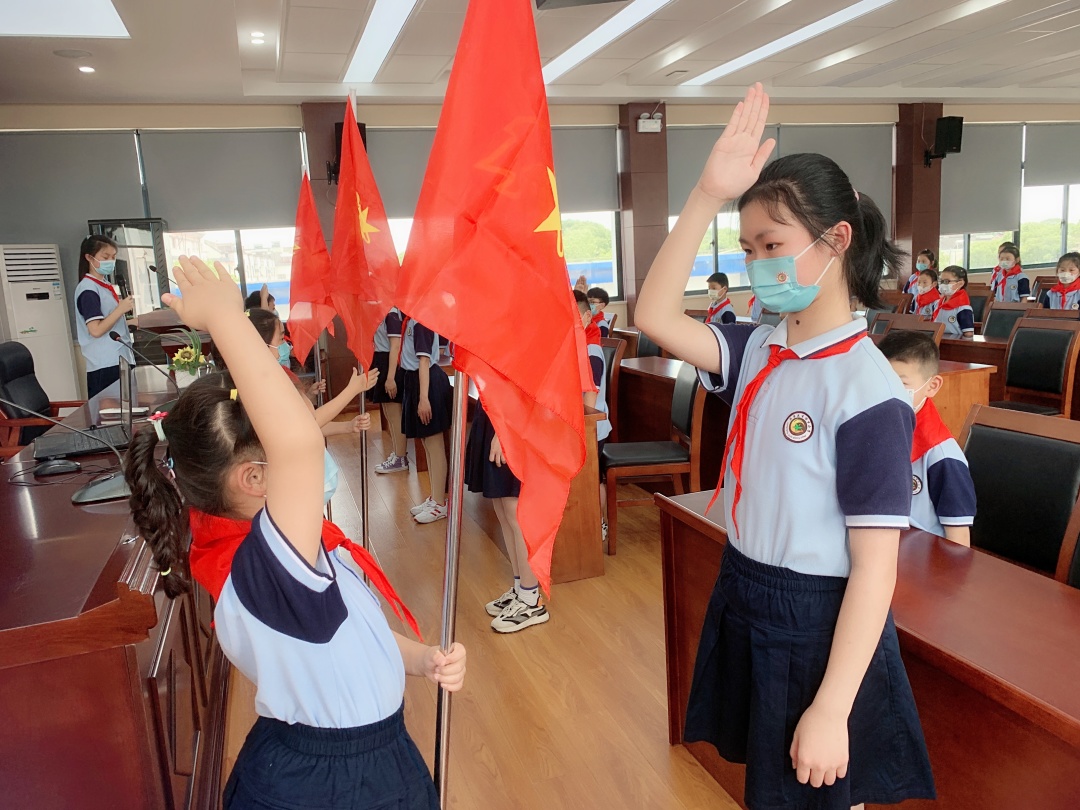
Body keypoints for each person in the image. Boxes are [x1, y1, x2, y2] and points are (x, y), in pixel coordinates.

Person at [634, 84, 935, 810]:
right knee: (773, 790)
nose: (758, 264)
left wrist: (831, 709)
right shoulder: (760, 348)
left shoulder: (866, 391)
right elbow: (654, 314)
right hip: (748, 585)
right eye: (748, 250)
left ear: (837, 240)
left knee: (815, 792)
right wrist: (705, 195)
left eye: (773, 246)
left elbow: (875, 571)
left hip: (816, 619)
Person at [125, 256, 465, 810]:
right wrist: (227, 320)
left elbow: (350, 635)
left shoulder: (278, 553)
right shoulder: (266, 566)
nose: (306, 448)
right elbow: (300, 445)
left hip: (354, 755)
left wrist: (418, 657)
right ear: (255, 478)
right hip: (335, 781)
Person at [880, 331, 975, 547]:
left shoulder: (943, 456)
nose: (887, 390)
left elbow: (959, 539)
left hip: (921, 556)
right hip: (880, 543)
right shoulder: (875, 430)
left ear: (932, 386)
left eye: (901, 383)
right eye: (881, 380)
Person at [464, 399, 549, 633]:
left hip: (512, 417)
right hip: (493, 412)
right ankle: (520, 587)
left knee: (515, 510)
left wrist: (505, 432)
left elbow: (523, 387)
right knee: (501, 507)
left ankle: (531, 599)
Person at [400, 316, 453, 524]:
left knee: (434, 443)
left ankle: (440, 503)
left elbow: (424, 360)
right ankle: (435, 496)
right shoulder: (412, 320)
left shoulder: (421, 320)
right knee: (426, 442)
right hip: (417, 380)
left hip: (427, 382)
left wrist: (424, 399)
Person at [74, 234, 136, 398]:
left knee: (128, 407)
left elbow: (112, 321)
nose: (111, 261)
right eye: (105, 257)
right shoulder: (88, 290)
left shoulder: (104, 285)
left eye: (113, 257)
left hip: (120, 358)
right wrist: (120, 309)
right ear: (89, 257)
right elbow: (95, 330)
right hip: (105, 363)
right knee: (111, 411)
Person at [372, 307, 410, 474]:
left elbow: (395, 345)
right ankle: (397, 453)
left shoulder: (392, 312)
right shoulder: (380, 311)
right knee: (388, 412)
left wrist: (390, 377)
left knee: (395, 414)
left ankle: (401, 457)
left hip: (390, 363)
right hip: (381, 359)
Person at [931, 266, 974, 338]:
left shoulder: (963, 308)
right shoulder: (937, 303)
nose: (942, 284)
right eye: (941, 281)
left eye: (946, 281)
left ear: (960, 283)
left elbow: (968, 334)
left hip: (954, 342)